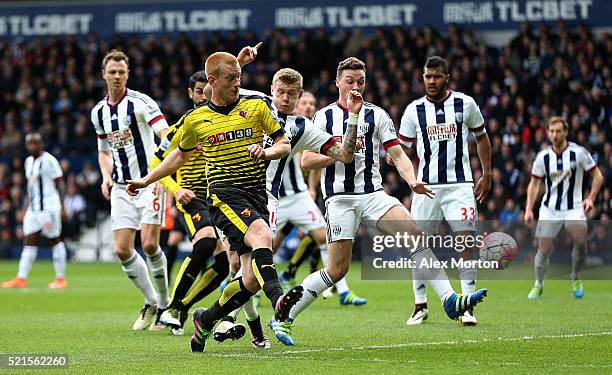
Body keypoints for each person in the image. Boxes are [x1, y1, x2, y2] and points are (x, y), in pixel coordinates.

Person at [272, 57, 488, 346]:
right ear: (337, 82)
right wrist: (339, 151)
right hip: (340, 199)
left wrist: (411, 180)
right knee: (337, 269)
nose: (355, 86)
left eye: (360, 81)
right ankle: (283, 316)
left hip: (373, 194)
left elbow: (398, 154)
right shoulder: (323, 117)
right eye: (349, 80)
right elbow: (308, 161)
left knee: (415, 235)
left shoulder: (377, 115)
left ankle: (449, 299)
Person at [125, 52, 301, 353]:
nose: (237, 83)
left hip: (256, 193)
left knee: (249, 278)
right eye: (231, 78)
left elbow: (283, 143)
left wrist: (267, 152)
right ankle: (279, 302)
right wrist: (146, 180)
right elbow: (178, 156)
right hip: (223, 194)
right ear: (213, 81)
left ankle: (205, 320)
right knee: (262, 237)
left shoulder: (256, 106)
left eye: (239, 77)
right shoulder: (195, 120)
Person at [153, 48, 271, 349]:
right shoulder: (188, 121)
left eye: (203, 90)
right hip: (197, 195)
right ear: (194, 92)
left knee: (228, 265)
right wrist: (173, 187)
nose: (201, 95)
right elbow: (162, 160)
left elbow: (224, 78)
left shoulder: (237, 106)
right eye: (196, 91)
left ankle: (207, 318)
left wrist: (239, 64)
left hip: (237, 193)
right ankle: (174, 307)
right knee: (208, 243)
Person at [399, 56, 492, 326]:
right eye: (428, 76)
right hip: (425, 187)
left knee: (465, 240)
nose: (431, 81)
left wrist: (486, 173)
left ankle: (467, 305)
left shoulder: (465, 103)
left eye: (437, 76)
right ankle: (420, 305)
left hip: (459, 186)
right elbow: (401, 150)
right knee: (418, 244)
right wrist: (411, 180)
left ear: (447, 77)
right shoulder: (413, 110)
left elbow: (482, 137)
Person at [266, 73, 367, 309]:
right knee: (264, 248)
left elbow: (315, 163)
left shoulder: (304, 129)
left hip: (298, 196)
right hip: (271, 196)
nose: (309, 107)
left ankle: (342, 291)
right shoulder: (267, 116)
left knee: (322, 236)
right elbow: (308, 161)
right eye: (306, 104)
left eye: (311, 103)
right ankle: (254, 290)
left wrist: (312, 188)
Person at [91, 50, 170, 331]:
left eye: (121, 72)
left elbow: (166, 134)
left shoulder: (141, 103)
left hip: (150, 183)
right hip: (121, 187)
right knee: (122, 250)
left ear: (128, 74)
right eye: (112, 72)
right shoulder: (98, 112)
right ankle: (152, 302)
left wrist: (159, 171)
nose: (116, 76)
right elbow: (103, 151)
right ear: (104, 74)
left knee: (149, 244)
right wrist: (105, 177)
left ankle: (165, 306)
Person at [524, 116, 603, 299]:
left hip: (574, 207)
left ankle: (575, 276)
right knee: (543, 250)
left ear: (565, 132)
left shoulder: (579, 153)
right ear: (547, 132)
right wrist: (528, 208)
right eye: (551, 131)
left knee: (580, 242)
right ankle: (539, 283)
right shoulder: (543, 156)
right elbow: (534, 184)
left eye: (559, 131)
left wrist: (590, 198)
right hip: (550, 208)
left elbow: (597, 176)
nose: (555, 134)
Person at [2, 133, 68, 289]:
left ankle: (61, 278)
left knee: (55, 240)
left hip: (49, 209)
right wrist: (25, 208)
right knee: (29, 242)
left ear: (41, 144)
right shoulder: (28, 162)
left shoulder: (49, 161)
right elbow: (30, 188)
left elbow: (60, 183)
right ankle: (21, 278)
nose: (32, 146)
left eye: (35, 143)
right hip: (33, 210)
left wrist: (63, 207)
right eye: (29, 143)